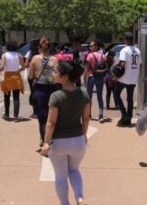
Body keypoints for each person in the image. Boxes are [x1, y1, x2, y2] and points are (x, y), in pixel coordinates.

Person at [41, 60, 90, 205]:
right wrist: (84, 135)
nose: (53, 74)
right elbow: (86, 119)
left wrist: (46, 142)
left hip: (59, 143)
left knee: (61, 176)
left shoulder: (56, 96)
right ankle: (80, 198)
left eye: (55, 72)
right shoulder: (84, 93)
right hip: (78, 141)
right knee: (74, 170)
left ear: (65, 77)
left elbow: (51, 123)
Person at [29, 36, 60, 147]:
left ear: (39, 48)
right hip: (52, 90)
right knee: (51, 118)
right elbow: (57, 77)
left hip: (40, 90)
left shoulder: (35, 58)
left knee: (42, 119)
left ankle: (45, 142)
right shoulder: (55, 59)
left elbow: (31, 76)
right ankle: (50, 139)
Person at [114, 32, 142, 126]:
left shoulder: (124, 50)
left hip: (124, 78)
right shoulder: (138, 50)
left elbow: (122, 64)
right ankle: (128, 119)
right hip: (134, 78)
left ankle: (124, 114)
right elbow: (140, 65)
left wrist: (116, 66)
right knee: (130, 99)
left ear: (126, 40)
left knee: (116, 94)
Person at [0, 40, 25, 121]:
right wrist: (17, 71)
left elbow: (2, 67)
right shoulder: (19, 55)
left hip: (7, 77)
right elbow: (23, 67)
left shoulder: (4, 55)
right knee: (16, 97)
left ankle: (7, 114)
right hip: (16, 76)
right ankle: (16, 116)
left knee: (6, 96)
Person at [83, 41, 107, 123]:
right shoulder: (103, 56)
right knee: (100, 96)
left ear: (96, 46)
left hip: (91, 77)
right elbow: (105, 67)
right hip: (100, 77)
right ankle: (101, 115)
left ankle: (89, 114)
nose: (90, 47)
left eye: (91, 46)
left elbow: (87, 67)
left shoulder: (90, 56)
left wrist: (84, 77)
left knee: (89, 97)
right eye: (89, 46)